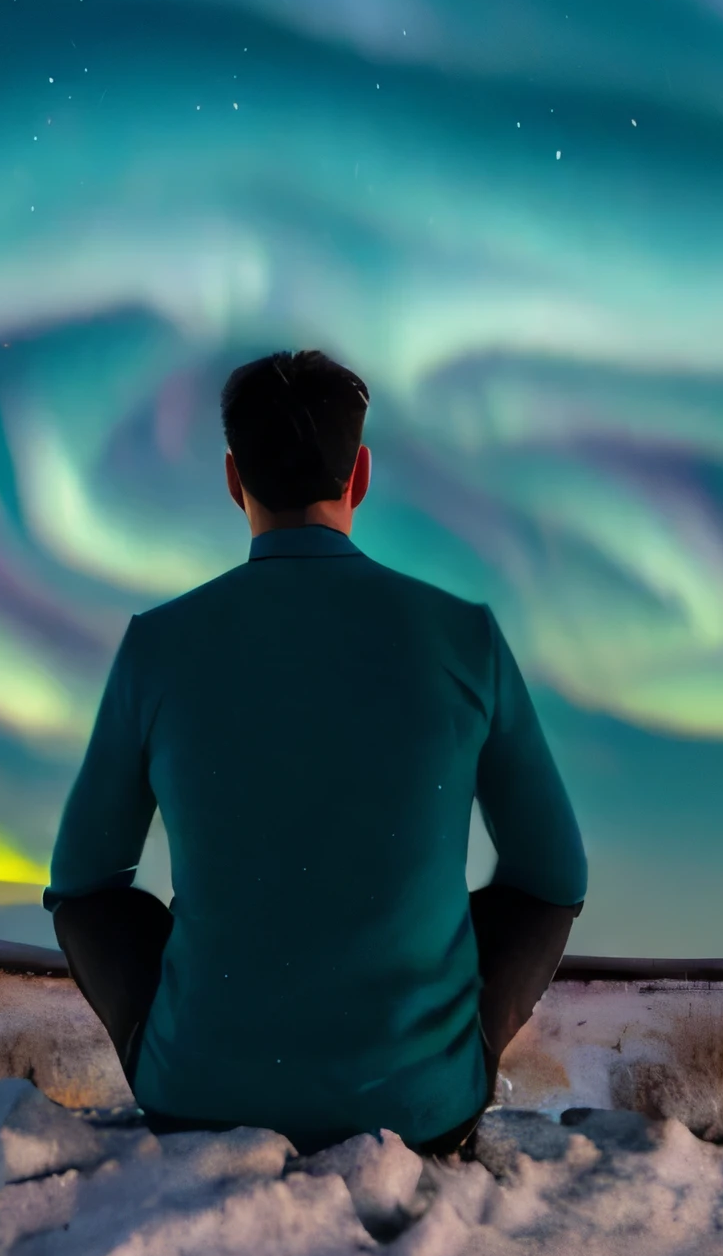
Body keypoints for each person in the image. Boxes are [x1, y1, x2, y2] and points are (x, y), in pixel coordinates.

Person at [44, 349, 586, 1158]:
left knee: (101, 904)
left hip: (194, 1098)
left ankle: (199, 1057)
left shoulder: (157, 647)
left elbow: (83, 882)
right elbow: (555, 877)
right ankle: (433, 1062)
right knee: (520, 898)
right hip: (422, 1111)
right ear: (360, 475)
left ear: (234, 480)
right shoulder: (464, 637)